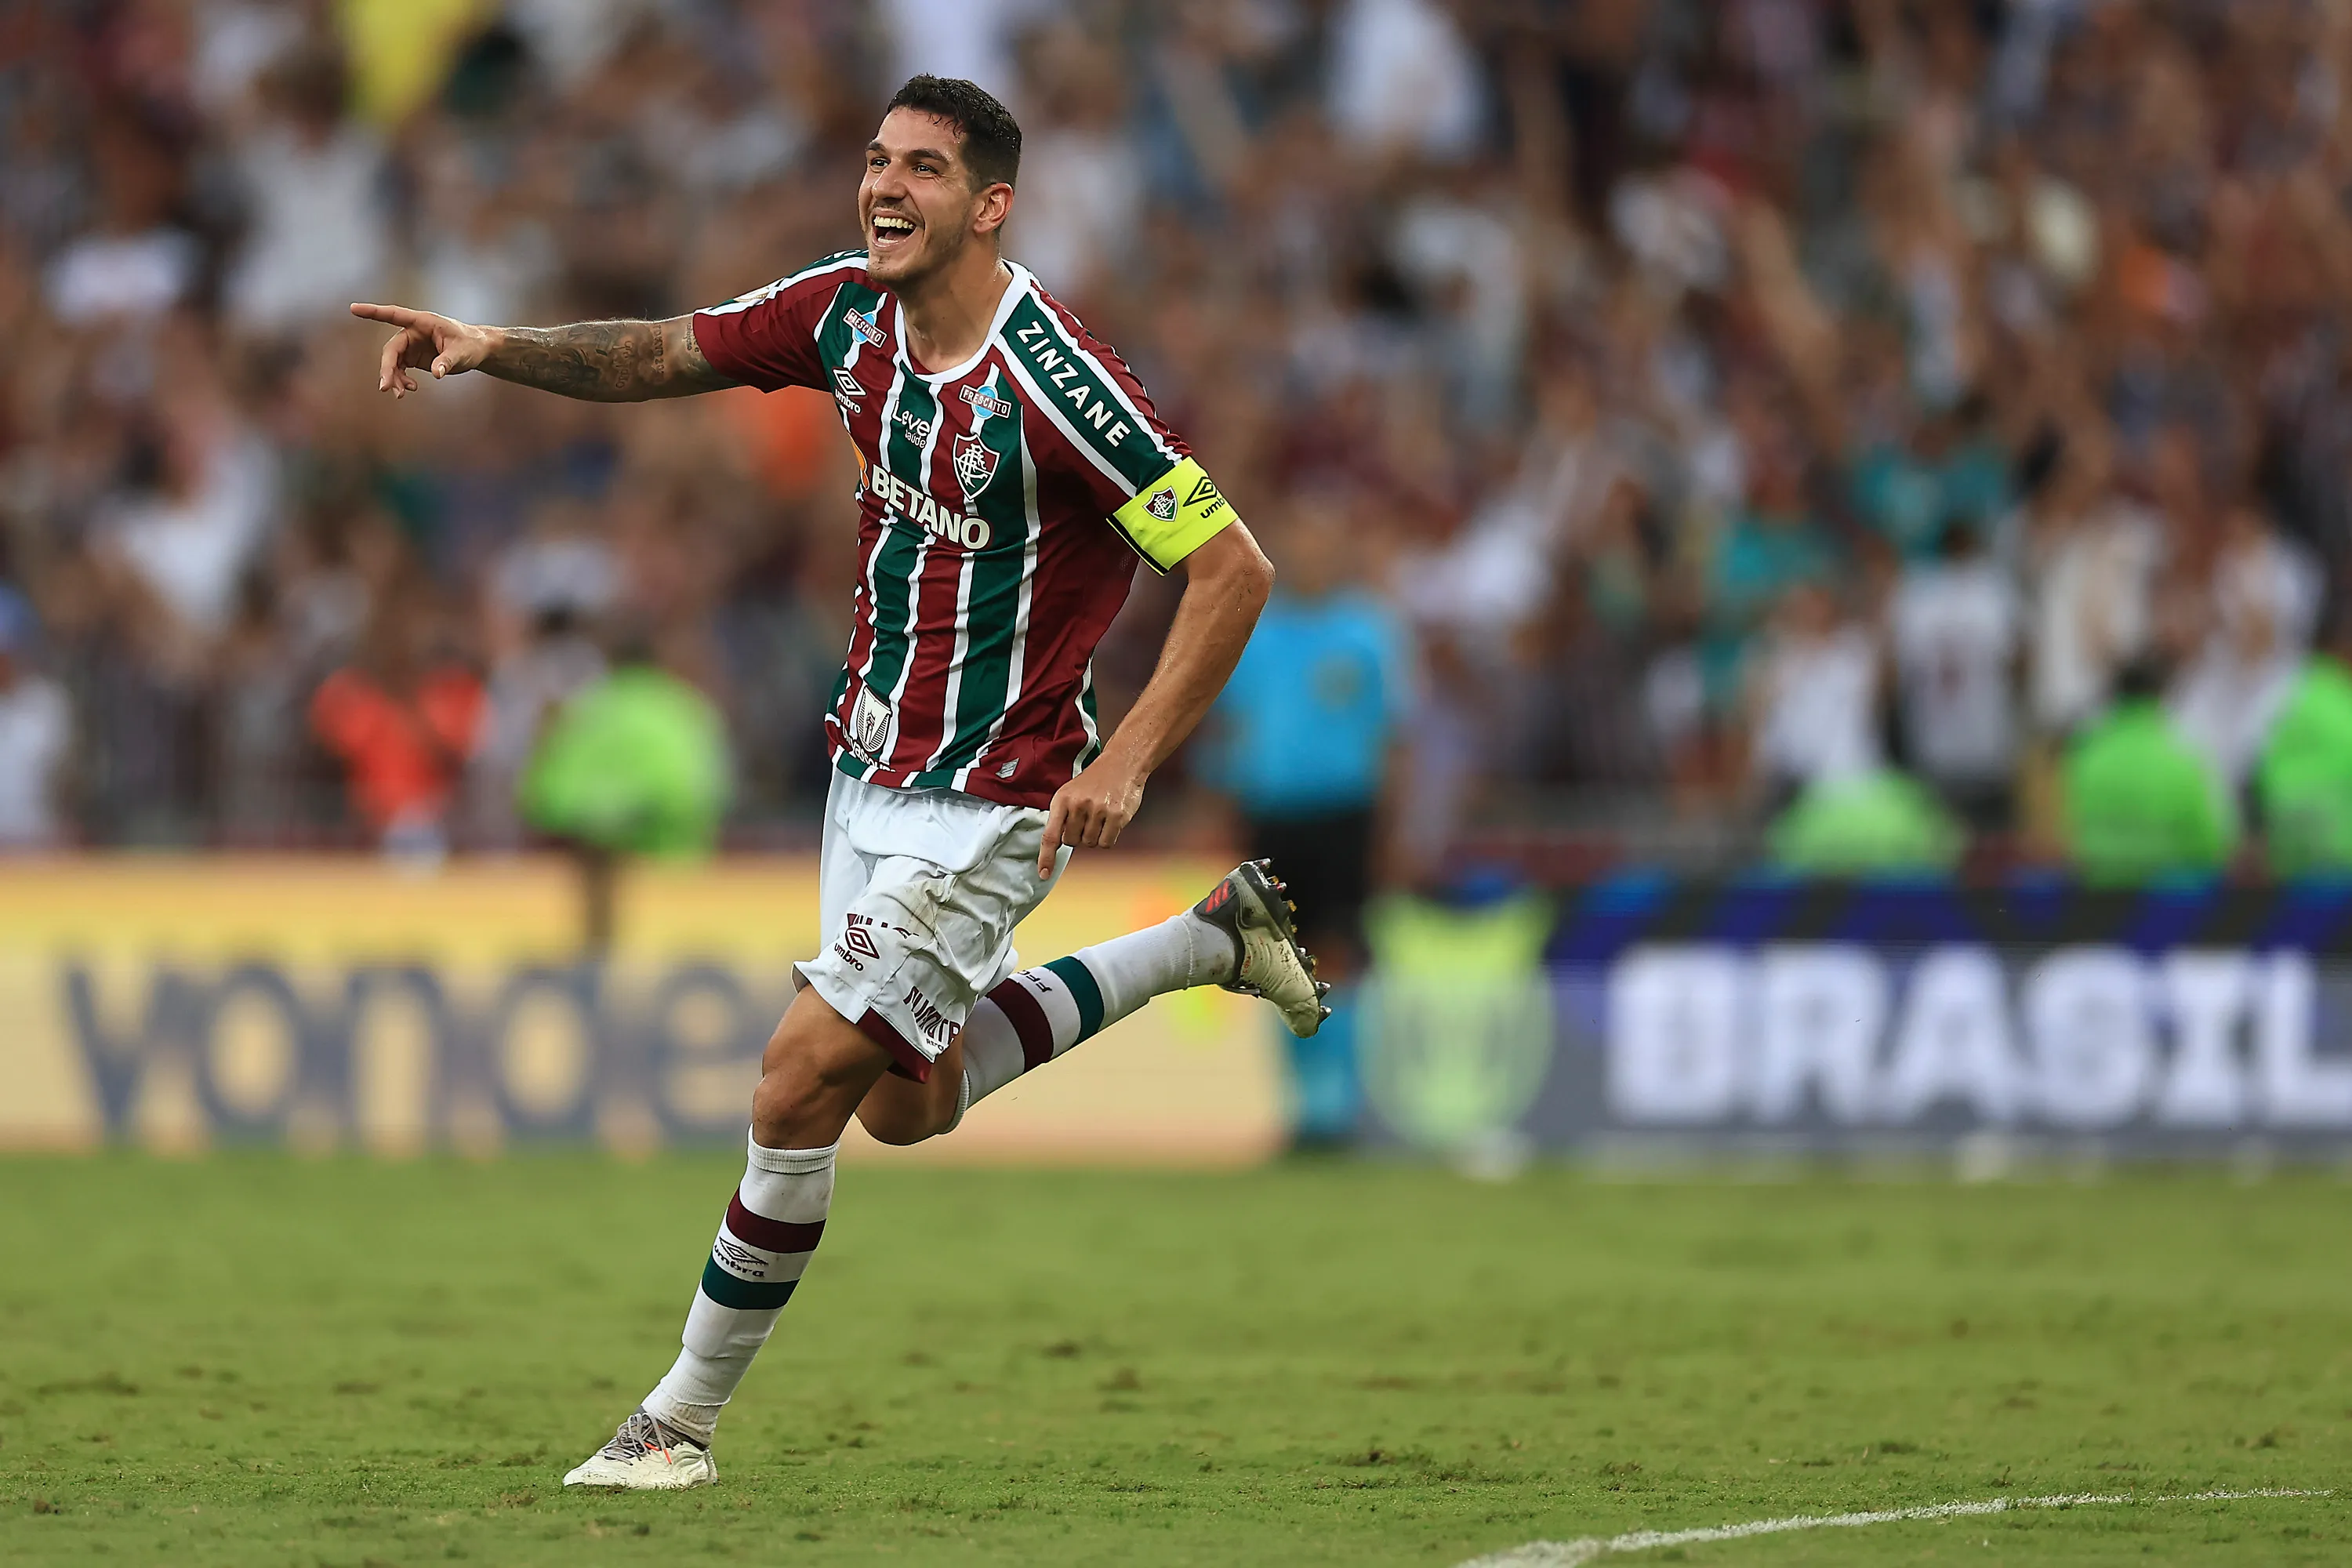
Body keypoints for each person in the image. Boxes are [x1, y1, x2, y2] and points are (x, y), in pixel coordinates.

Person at [354, 75, 1327, 1490]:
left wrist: (1124, 766)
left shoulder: (1063, 381)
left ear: (990, 205)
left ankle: (674, 1422)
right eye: (876, 161)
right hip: (867, 774)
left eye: (923, 170)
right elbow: (664, 351)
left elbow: (1232, 564)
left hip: (1001, 794)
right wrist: (490, 345)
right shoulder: (840, 317)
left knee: (799, 1080)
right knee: (903, 1106)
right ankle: (1205, 940)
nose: (885, 188)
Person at [1199, 498, 1411, 1147]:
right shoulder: (1256, 631)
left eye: (1323, 539)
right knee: (1277, 961)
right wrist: (1220, 817)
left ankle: (1338, 1111)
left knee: (1342, 953)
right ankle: (1303, 1108)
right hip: (1273, 815)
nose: (1312, 552)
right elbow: (1231, 732)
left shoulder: (1367, 631)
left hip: (1345, 815)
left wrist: (1391, 833)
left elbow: (1394, 740)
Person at [2059, 659, 2236, 885]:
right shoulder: (2182, 758)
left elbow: (2072, 837)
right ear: (2161, 697)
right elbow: (2211, 844)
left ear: (2114, 698)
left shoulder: (2085, 757)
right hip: (2169, 902)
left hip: (2102, 896)